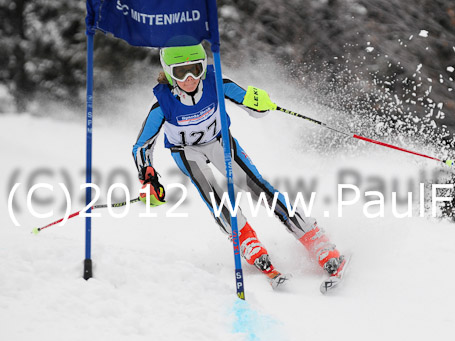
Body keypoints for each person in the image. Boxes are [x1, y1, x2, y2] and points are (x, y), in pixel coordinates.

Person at [132, 43, 346, 289]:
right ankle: (247, 241)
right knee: (216, 197)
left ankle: (314, 239)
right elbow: (141, 146)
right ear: (169, 73)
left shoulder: (215, 82)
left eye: (195, 69)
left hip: (219, 141)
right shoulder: (162, 102)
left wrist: (260, 102)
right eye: (181, 73)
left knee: (257, 187)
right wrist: (148, 178)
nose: (190, 78)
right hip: (186, 151)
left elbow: (250, 104)